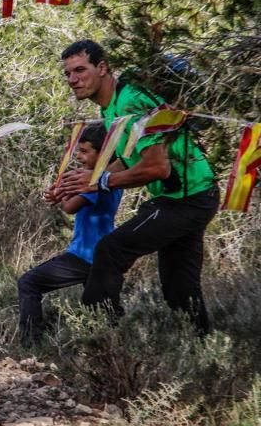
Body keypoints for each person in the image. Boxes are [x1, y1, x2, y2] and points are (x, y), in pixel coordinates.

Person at [56, 39, 218, 334]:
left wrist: (101, 181)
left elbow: (157, 167)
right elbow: (129, 160)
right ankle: (204, 348)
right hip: (189, 195)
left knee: (110, 250)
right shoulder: (110, 109)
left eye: (80, 70)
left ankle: (98, 335)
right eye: (67, 74)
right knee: (180, 290)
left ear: (102, 67)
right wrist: (87, 181)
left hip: (186, 198)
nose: (73, 79)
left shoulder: (131, 100)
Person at [18, 124, 122, 345]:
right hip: (101, 257)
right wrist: (65, 189)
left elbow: (70, 207)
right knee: (107, 311)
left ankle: (30, 343)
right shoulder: (108, 179)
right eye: (79, 151)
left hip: (85, 256)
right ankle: (117, 349)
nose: (80, 157)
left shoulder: (97, 181)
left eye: (85, 152)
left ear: (103, 152)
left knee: (28, 283)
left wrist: (63, 191)